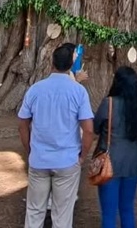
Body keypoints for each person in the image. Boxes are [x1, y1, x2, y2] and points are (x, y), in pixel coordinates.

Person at [18, 43, 95, 228]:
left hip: (39, 160)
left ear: (51, 62)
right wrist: (82, 156)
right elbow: (89, 130)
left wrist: (30, 150)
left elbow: (22, 125)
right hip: (67, 161)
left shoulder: (35, 89)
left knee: (34, 212)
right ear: (71, 65)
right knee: (62, 216)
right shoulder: (78, 91)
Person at [94, 66, 137, 228]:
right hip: (133, 162)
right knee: (127, 209)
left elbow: (96, 128)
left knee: (109, 213)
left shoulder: (109, 103)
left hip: (110, 162)